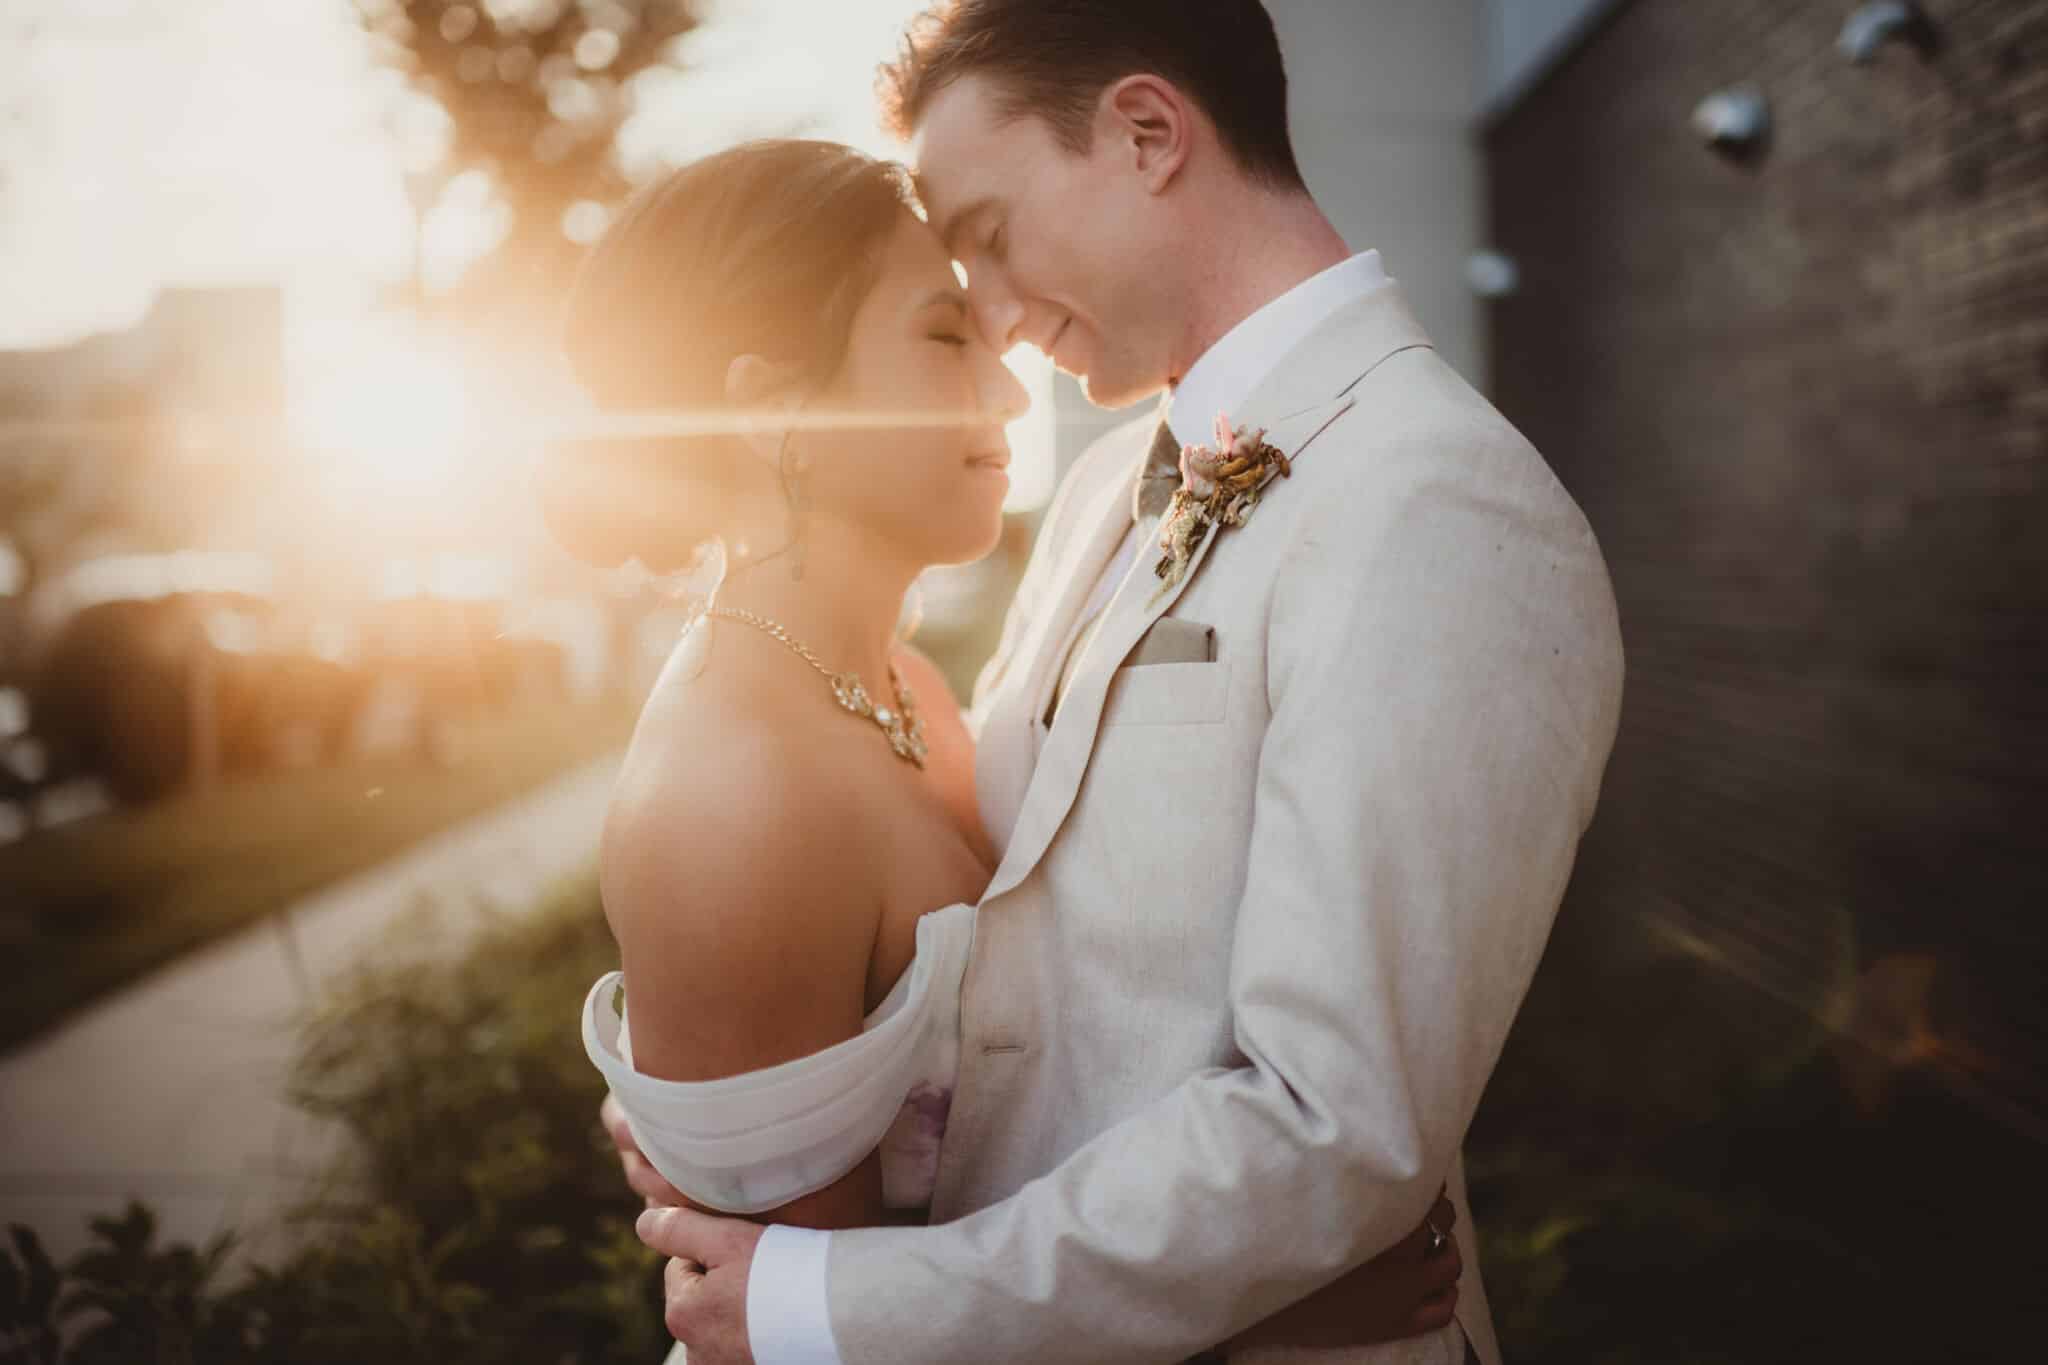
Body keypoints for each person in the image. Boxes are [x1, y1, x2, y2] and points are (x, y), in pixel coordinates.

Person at [623, 2, 1625, 1361]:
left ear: (1148, 134)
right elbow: (1010, 943)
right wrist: (738, 1109)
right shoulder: (1105, 492)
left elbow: (1331, 1128)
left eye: (989, 233)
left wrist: (834, 1303)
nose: (989, 316)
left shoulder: (1437, 501)